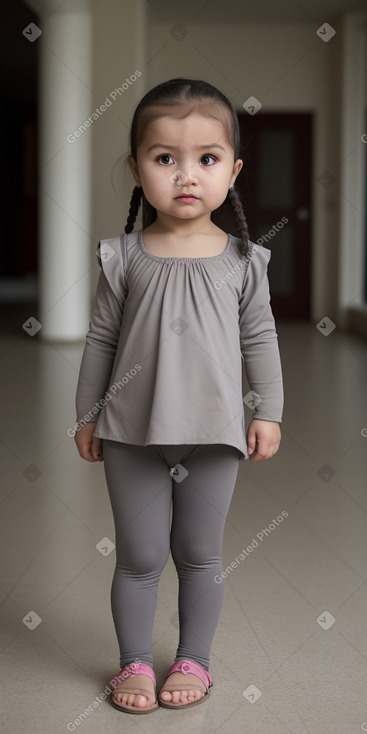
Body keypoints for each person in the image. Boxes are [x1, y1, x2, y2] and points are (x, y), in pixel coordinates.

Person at [73, 77, 284, 714]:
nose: (186, 175)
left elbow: (261, 337)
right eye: (165, 158)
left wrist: (268, 411)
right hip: (131, 436)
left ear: (233, 171)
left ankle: (195, 658)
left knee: (198, 554)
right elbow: (101, 339)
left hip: (214, 435)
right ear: (137, 168)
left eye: (207, 159)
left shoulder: (245, 260)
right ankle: (134, 662)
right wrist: (87, 416)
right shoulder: (123, 256)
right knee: (138, 557)